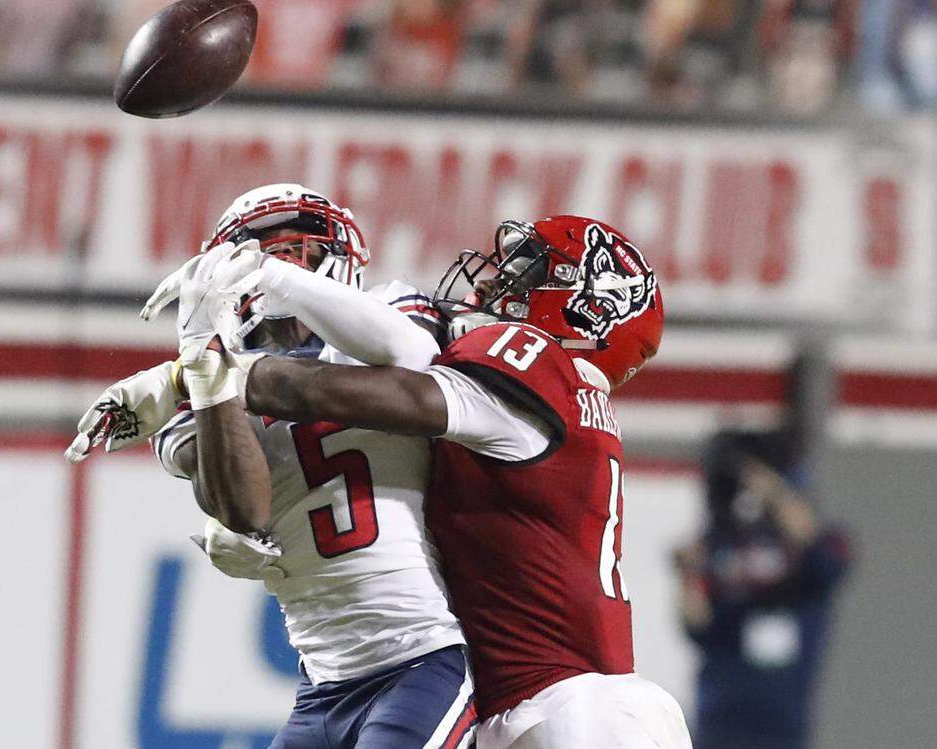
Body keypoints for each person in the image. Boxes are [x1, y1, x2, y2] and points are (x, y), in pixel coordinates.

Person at [84, 214, 693, 747]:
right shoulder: (555, 392)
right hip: (531, 704)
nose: (488, 282)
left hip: (571, 707)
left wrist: (202, 374)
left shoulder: (535, 368)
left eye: (524, 271)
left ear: (591, 306)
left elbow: (382, 393)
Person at [67, 184, 477, 749]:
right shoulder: (200, 382)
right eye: (258, 253)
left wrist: (220, 353)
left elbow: (408, 355)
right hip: (322, 684)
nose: (277, 263)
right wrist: (204, 373)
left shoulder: (392, 312)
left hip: (426, 655)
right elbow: (245, 508)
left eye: (297, 249)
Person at [675, 429, 852, 749]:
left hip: (782, 725)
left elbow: (821, 550)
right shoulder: (718, 545)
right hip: (719, 721)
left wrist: (770, 487)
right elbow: (697, 627)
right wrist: (688, 575)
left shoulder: (816, 549)